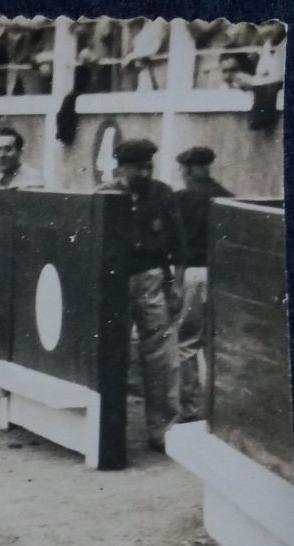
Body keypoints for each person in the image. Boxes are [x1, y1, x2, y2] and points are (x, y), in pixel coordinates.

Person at [97, 138, 186, 453]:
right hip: (114, 281)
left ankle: (161, 428)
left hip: (150, 276)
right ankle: (109, 428)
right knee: (112, 352)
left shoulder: (162, 194)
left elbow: (178, 241)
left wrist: (176, 283)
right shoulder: (105, 195)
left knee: (160, 353)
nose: (145, 172)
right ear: (120, 167)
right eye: (138, 167)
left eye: (149, 166)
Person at [173, 146, 233, 423]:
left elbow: (178, 246)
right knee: (216, 343)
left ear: (189, 169)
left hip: (193, 274)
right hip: (222, 277)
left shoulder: (182, 198)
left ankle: (192, 409)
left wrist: (176, 280)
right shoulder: (227, 197)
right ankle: (220, 408)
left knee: (186, 343)